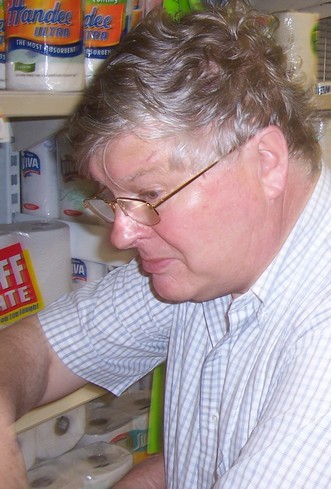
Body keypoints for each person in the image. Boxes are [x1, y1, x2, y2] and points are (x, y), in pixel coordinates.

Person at [0, 1, 330, 488]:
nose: (121, 233)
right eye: (114, 201)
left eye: (150, 195)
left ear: (266, 163)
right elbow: (42, 352)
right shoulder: (210, 259)